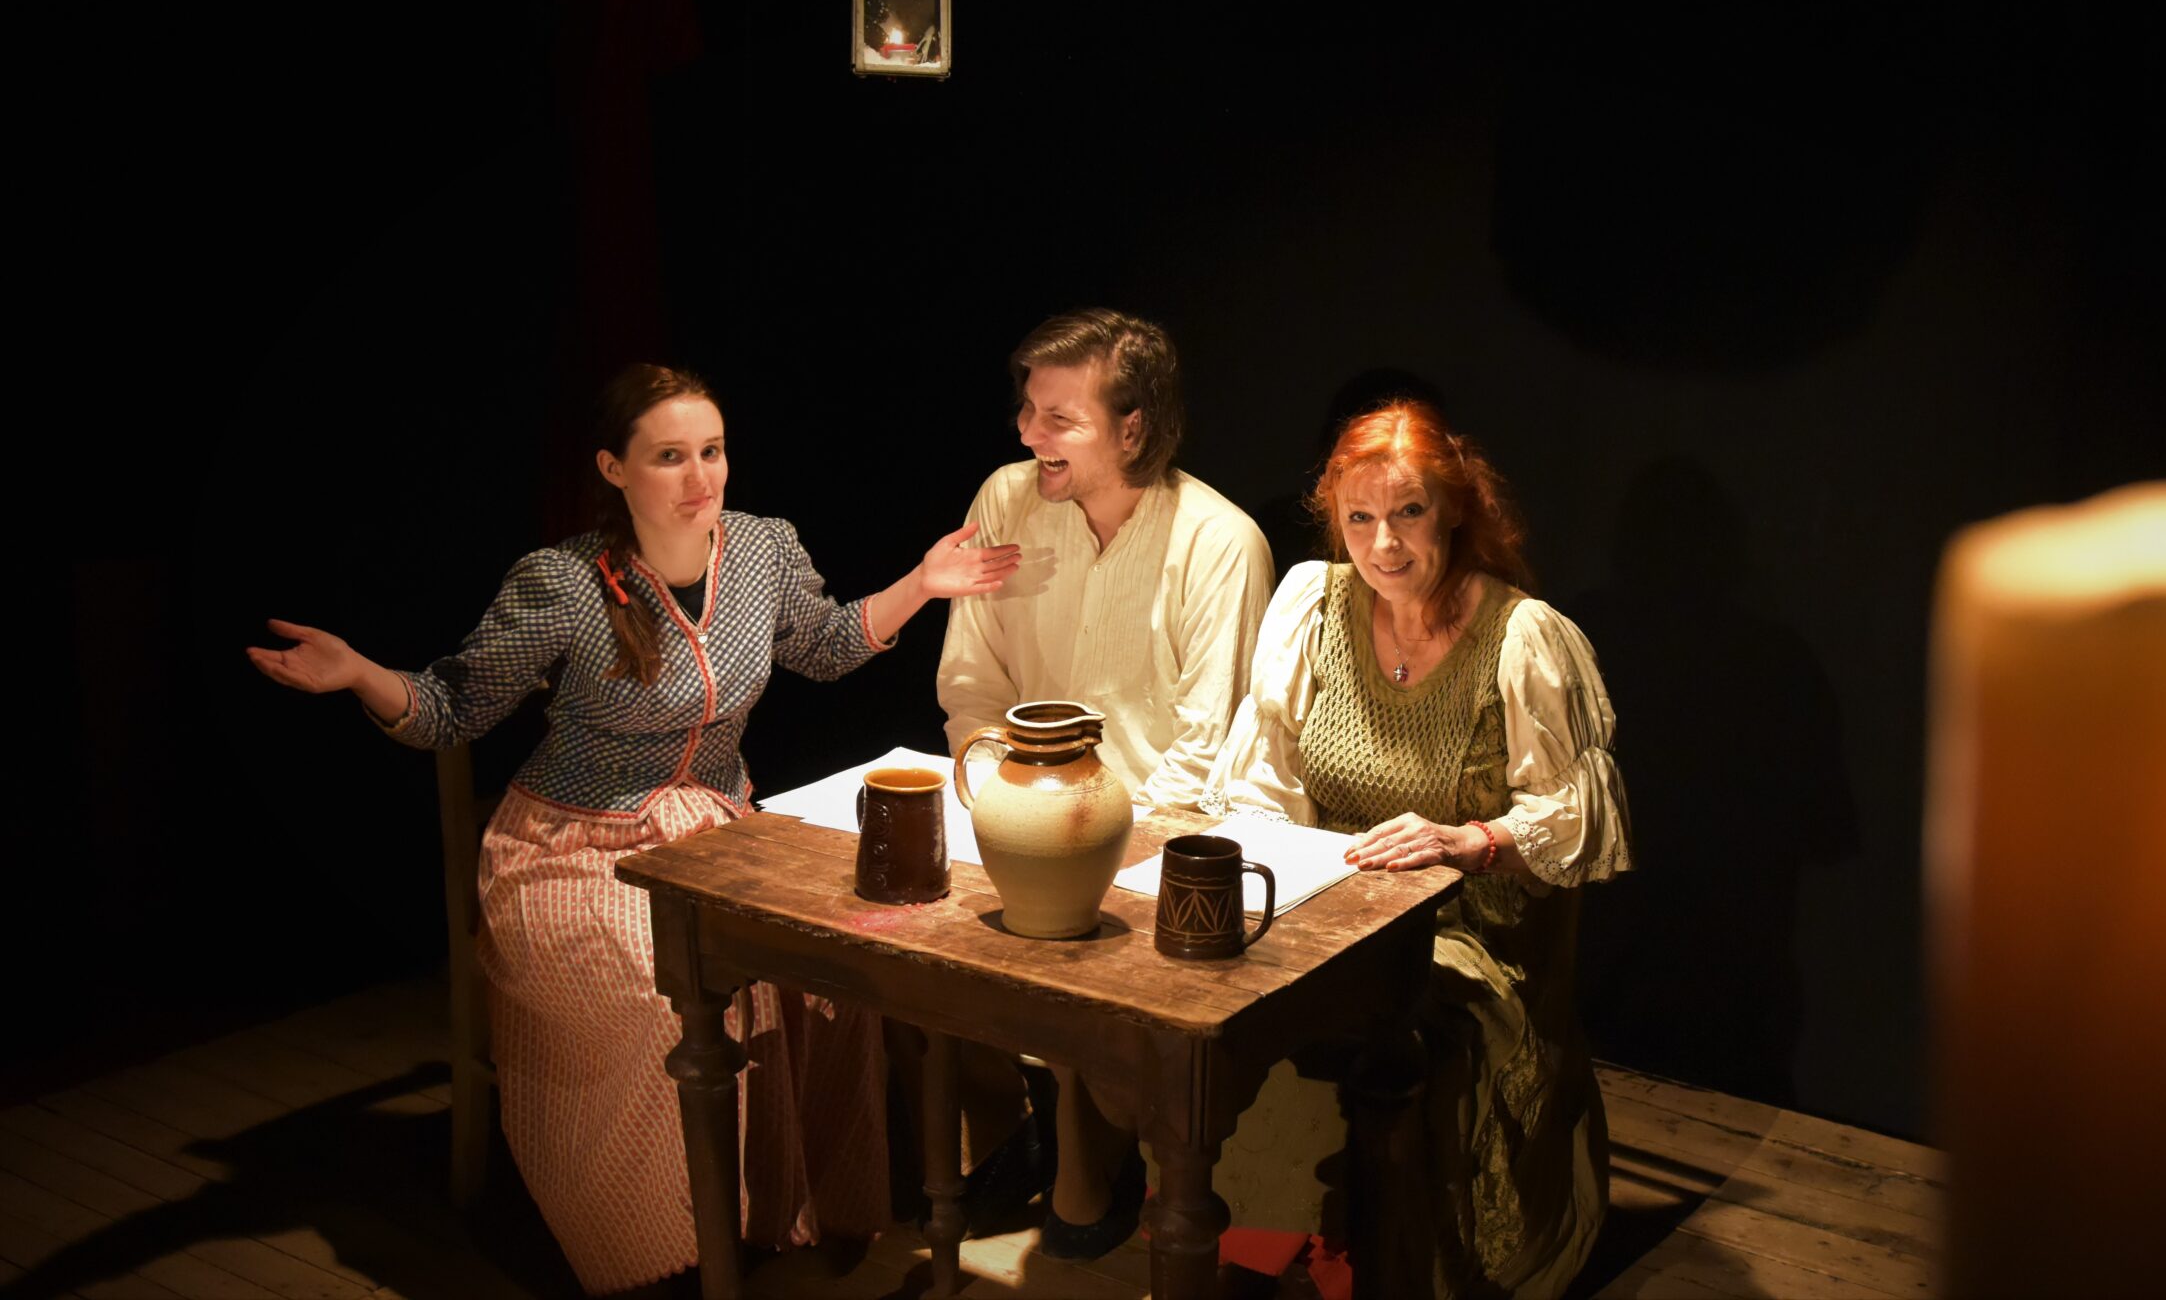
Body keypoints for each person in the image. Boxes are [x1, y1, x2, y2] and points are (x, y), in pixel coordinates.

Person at [246, 364, 1019, 1296]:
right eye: (669, 457)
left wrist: (923, 584)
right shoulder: (563, 582)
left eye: (711, 452)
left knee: (831, 975)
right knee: (671, 1004)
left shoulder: (762, 549)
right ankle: (667, 1256)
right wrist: (359, 673)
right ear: (614, 469)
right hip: (569, 849)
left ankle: (779, 1218)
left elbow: (821, 645)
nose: (700, 478)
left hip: (715, 835)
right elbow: (452, 709)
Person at [1205, 398, 1633, 1300]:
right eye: (1359, 517)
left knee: (1376, 1035)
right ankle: (1264, 1244)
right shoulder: (1312, 605)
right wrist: (1277, 875)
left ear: (1454, 510)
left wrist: (1470, 840)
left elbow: (1577, 818)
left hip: (1471, 932)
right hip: (1331, 912)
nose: (1383, 543)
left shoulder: (1521, 637)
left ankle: (1364, 1258)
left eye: (1408, 513)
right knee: (1235, 1007)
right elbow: (1263, 777)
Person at [935, 308, 1274, 1255]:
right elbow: (972, 683)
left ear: (1133, 428)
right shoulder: (1005, 500)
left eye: (1059, 419)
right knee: (898, 947)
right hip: (1010, 807)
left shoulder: (1218, 542)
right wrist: (992, 792)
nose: (1027, 433)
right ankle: (1008, 1130)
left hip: (1149, 843)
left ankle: (1089, 1143)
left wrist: (1084, 847)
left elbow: (1206, 751)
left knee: (1081, 971)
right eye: (1027, 410)